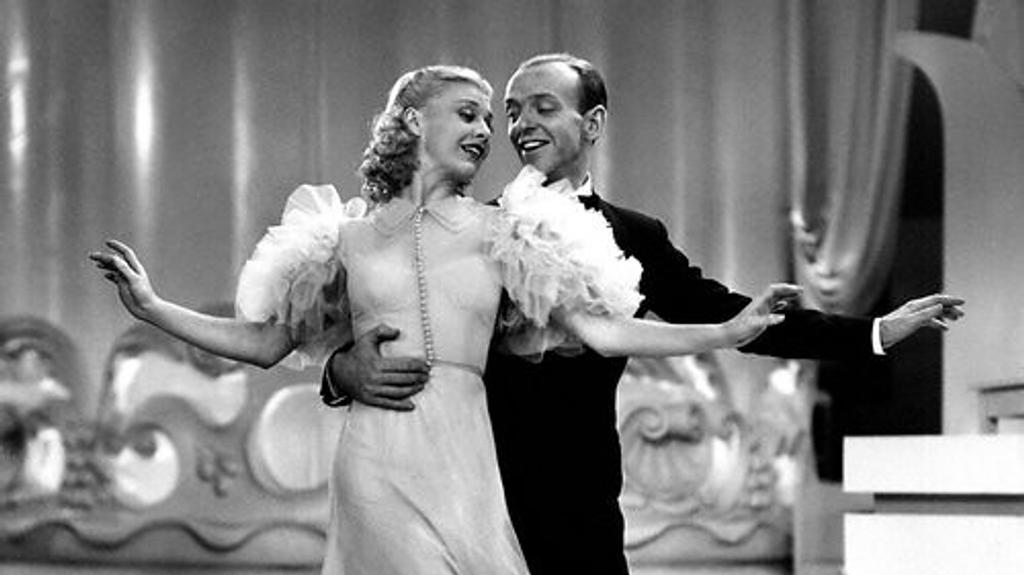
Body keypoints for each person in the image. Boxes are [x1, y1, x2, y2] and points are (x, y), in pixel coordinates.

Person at [90, 64, 804, 575]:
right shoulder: (344, 239)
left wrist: (724, 331)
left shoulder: (506, 231)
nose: (489, 132)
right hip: (376, 459)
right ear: (413, 120)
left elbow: (600, 329)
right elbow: (265, 342)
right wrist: (154, 308)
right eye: (469, 114)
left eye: (490, 120)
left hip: (468, 461)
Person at [319, 54, 965, 575]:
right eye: (511, 111)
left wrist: (874, 332)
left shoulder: (635, 234)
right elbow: (378, 321)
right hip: (473, 493)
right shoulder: (475, 229)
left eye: (543, 106)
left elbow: (732, 314)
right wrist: (340, 372)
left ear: (593, 123)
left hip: (582, 504)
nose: (518, 125)